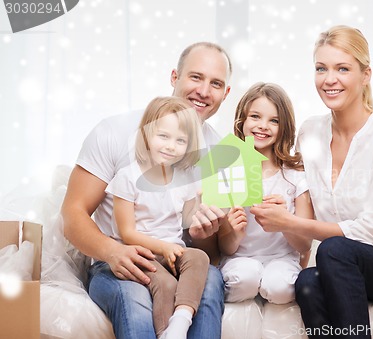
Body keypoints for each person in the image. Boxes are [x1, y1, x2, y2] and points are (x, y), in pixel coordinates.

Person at [250, 25, 373, 338]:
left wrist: (292, 223)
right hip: (346, 267)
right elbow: (299, 195)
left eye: (343, 69)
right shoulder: (310, 133)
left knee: (334, 250)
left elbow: (369, 233)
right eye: (321, 68)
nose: (330, 79)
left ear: (365, 75)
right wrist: (278, 211)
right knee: (308, 283)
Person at [61, 42, 232, 339]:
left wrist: (205, 235)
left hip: (175, 258)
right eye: (195, 77)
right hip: (115, 261)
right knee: (134, 296)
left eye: (215, 83)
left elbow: (211, 251)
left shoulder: (219, 154)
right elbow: (71, 214)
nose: (204, 91)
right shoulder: (115, 131)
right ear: (174, 76)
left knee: (211, 279)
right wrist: (113, 252)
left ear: (226, 93)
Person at [106, 97, 209, 339]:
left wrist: (201, 202)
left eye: (180, 140)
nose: (171, 146)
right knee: (166, 284)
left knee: (199, 258)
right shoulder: (128, 176)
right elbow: (126, 233)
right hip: (139, 253)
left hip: (172, 252)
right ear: (146, 134)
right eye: (163, 136)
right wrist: (163, 247)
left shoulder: (183, 178)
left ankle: (181, 321)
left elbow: (188, 222)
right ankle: (166, 334)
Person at [217, 82, 313, 305]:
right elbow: (225, 247)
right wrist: (234, 232)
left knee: (279, 287)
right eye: (255, 117)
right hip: (240, 258)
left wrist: (285, 222)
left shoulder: (296, 176)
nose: (263, 126)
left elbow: (304, 245)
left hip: (281, 259)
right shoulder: (227, 171)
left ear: (285, 127)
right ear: (242, 121)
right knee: (245, 278)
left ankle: (267, 286)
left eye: (274, 120)